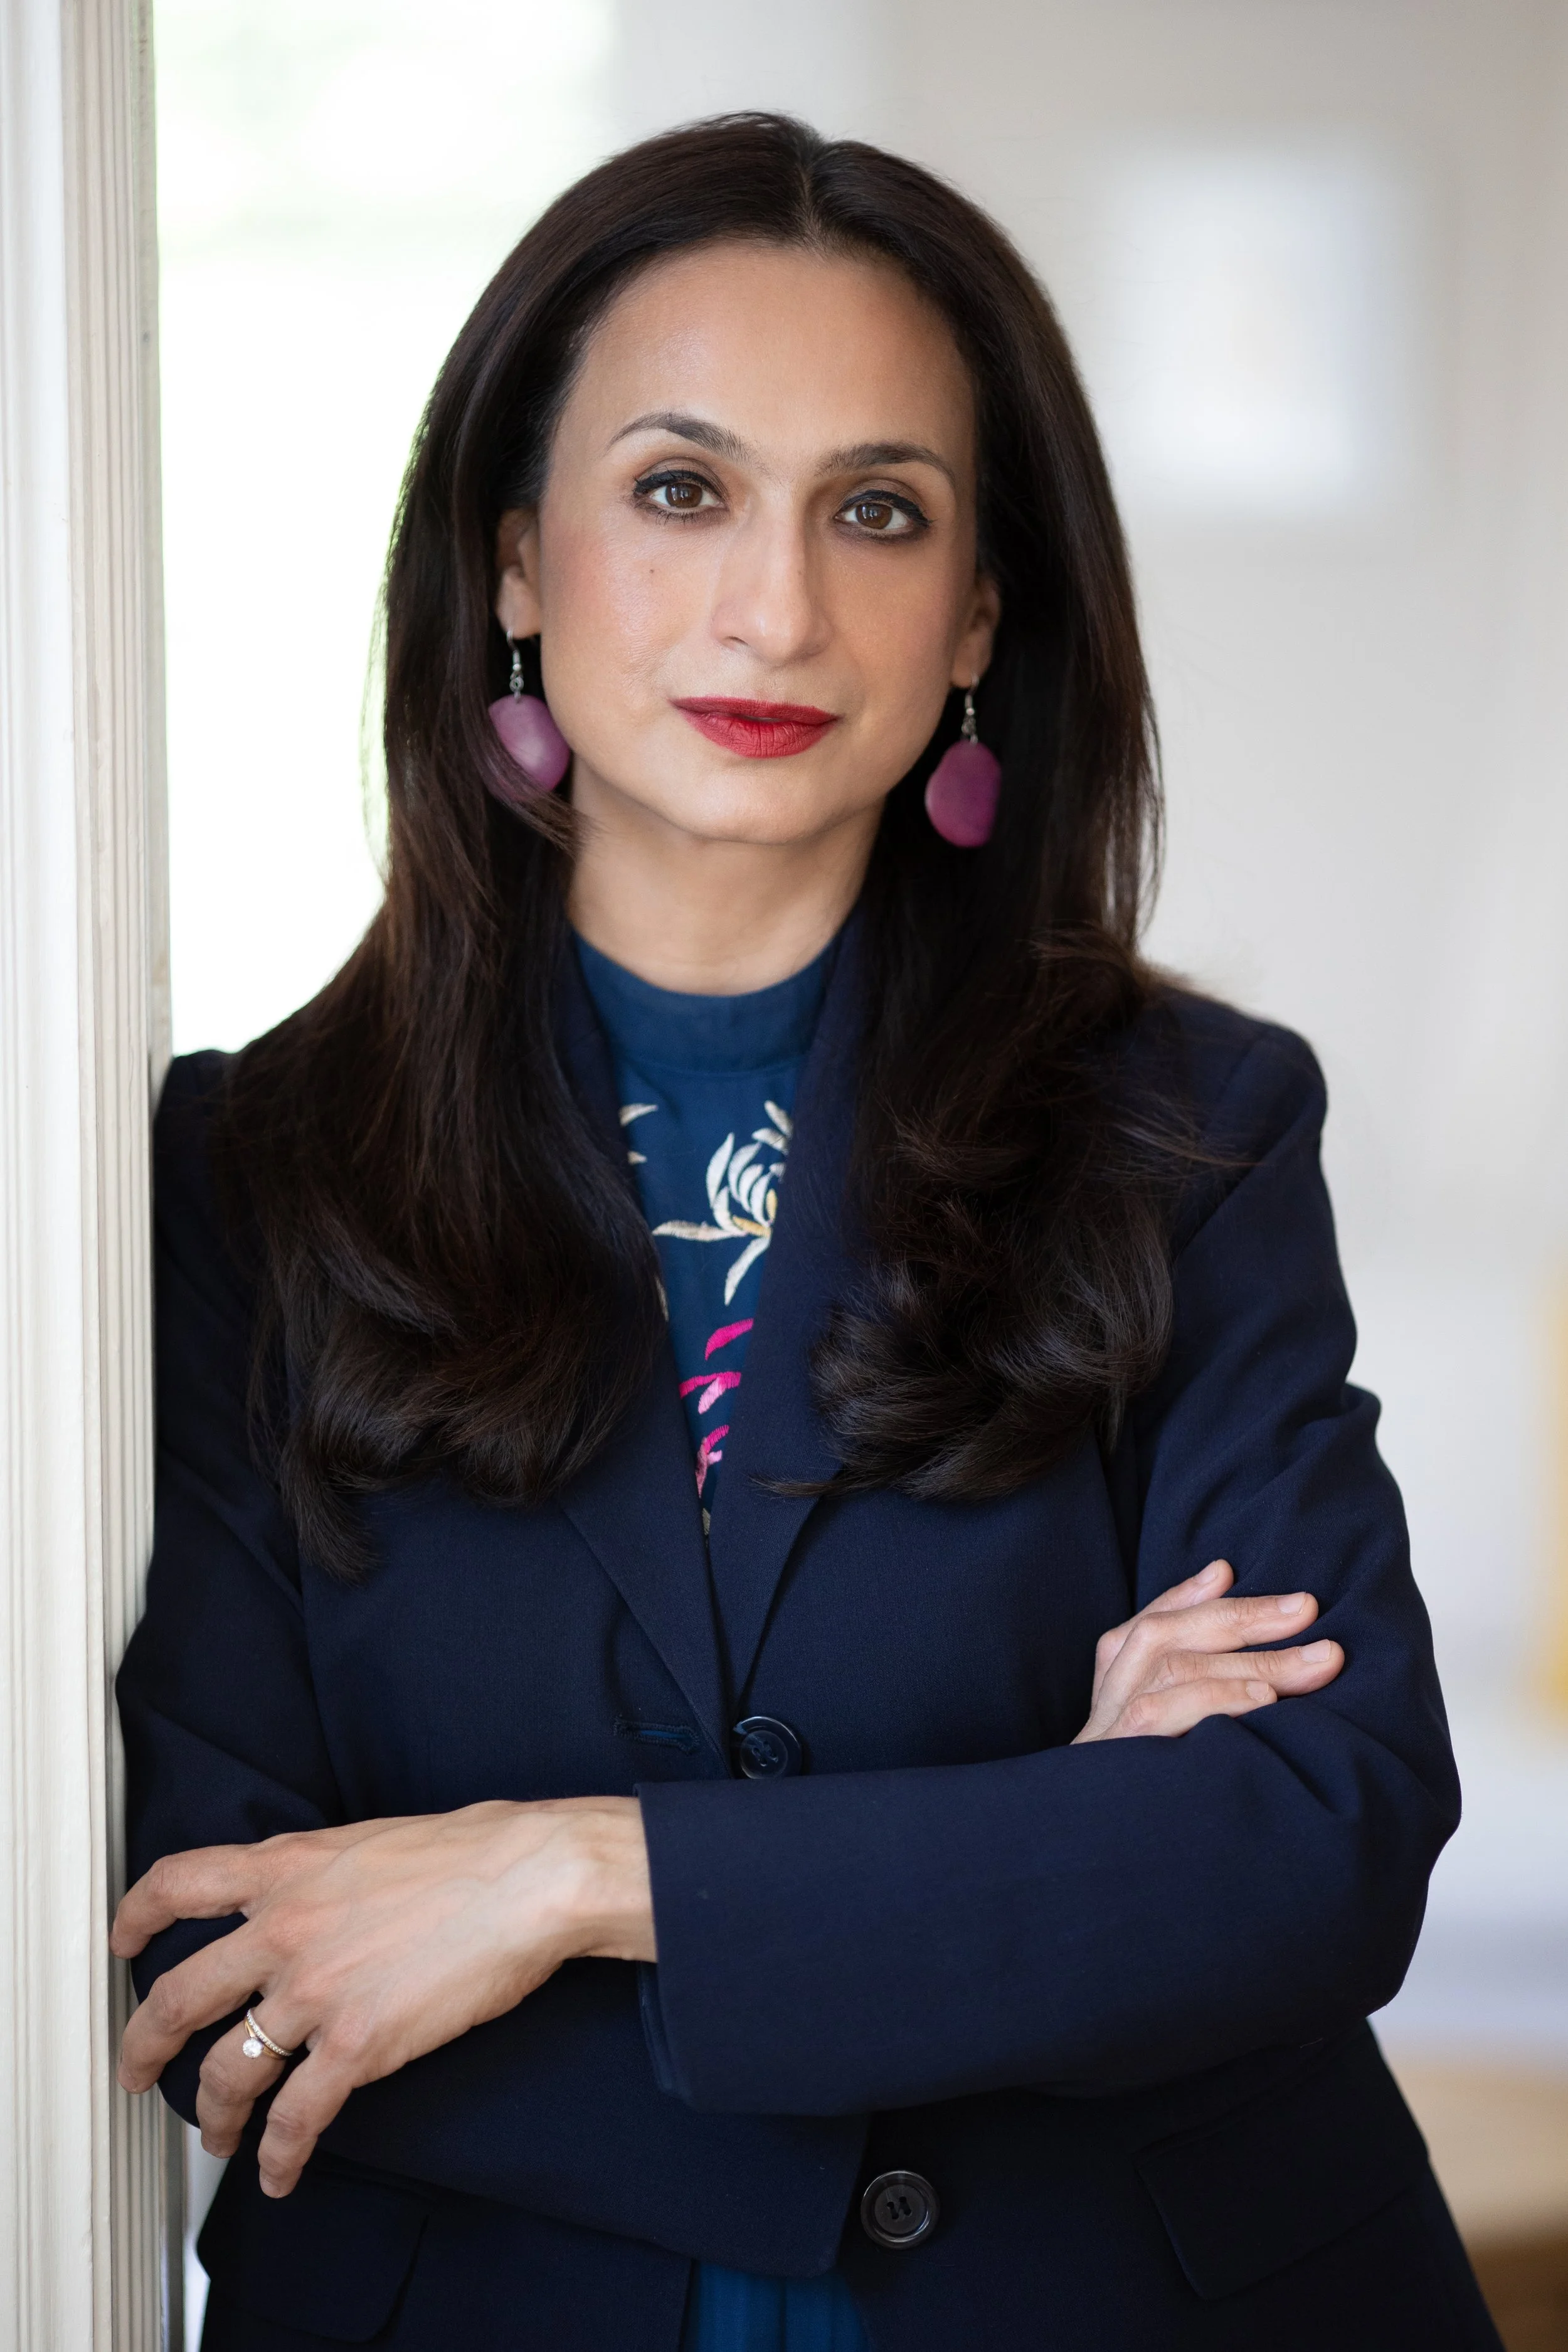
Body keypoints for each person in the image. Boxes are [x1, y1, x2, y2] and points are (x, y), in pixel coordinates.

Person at [112, 114, 1501, 2351]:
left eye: (877, 510)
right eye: (679, 490)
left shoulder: (1192, 1133)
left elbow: (1309, 1834)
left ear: (973, 613)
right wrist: (1032, 1853)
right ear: (511, 561)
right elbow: (229, 1958)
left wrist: (561, 1875)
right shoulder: (243, 1179)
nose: (777, 604)